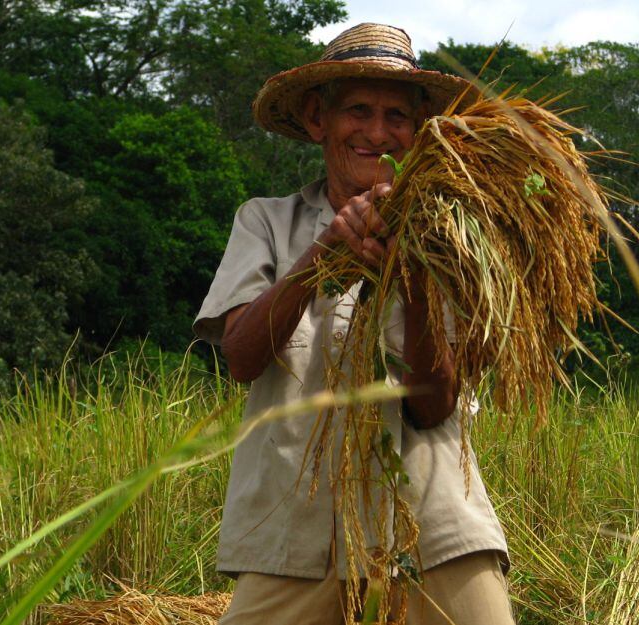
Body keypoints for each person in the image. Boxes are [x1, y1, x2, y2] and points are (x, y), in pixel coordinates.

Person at [194, 23, 514, 625]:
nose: (376, 132)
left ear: (419, 132)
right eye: (358, 111)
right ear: (319, 120)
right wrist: (325, 256)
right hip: (295, 533)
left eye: (397, 116)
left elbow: (435, 404)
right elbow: (240, 357)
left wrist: (415, 265)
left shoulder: (455, 238)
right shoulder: (266, 222)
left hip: (432, 525)